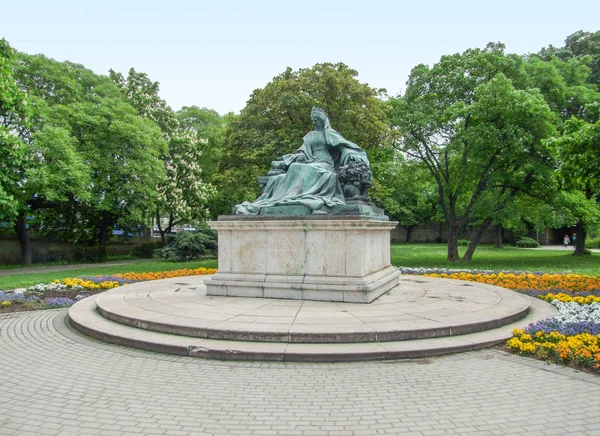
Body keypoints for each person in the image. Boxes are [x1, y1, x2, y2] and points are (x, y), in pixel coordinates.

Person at [234, 107, 369, 215]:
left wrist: (353, 156)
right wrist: (289, 160)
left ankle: (294, 196)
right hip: (310, 161)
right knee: (296, 166)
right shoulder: (309, 136)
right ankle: (290, 196)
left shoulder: (329, 134)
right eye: (313, 120)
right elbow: (301, 152)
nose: (314, 122)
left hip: (324, 164)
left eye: (316, 120)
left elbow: (346, 148)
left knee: (308, 169)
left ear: (322, 120)